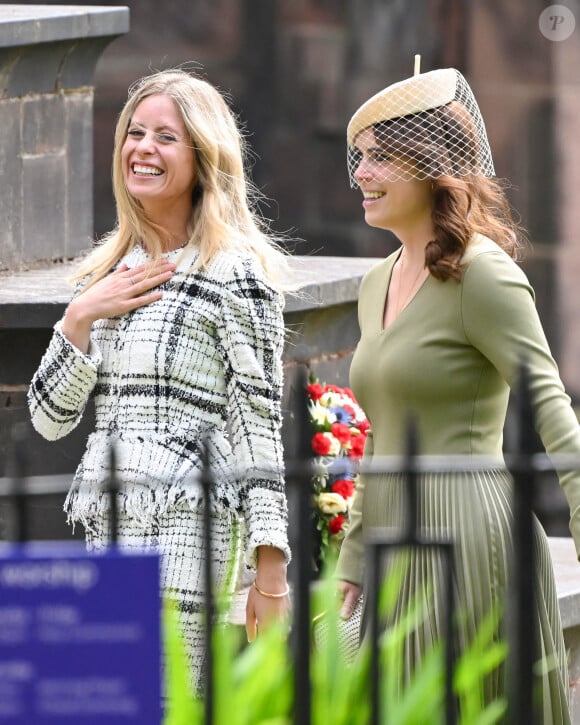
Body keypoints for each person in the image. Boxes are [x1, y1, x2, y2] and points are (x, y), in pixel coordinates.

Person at [28, 68, 291, 694]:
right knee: (115, 696)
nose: (142, 149)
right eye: (135, 133)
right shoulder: (113, 271)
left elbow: (259, 429)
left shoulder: (236, 275)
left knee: (169, 694)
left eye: (165, 137)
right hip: (111, 512)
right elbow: (48, 419)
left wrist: (271, 575)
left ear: (204, 158)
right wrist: (80, 315)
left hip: (190, 518)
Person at [336, 66, 580, 721]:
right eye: (360, 157)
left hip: (468, 537)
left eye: (380, 158)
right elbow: (380, 431)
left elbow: (555, 413)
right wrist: (354, 556)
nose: (361, 173)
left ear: (432, 166)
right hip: (391, 538)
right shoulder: (374, 282)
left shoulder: (483, 274)